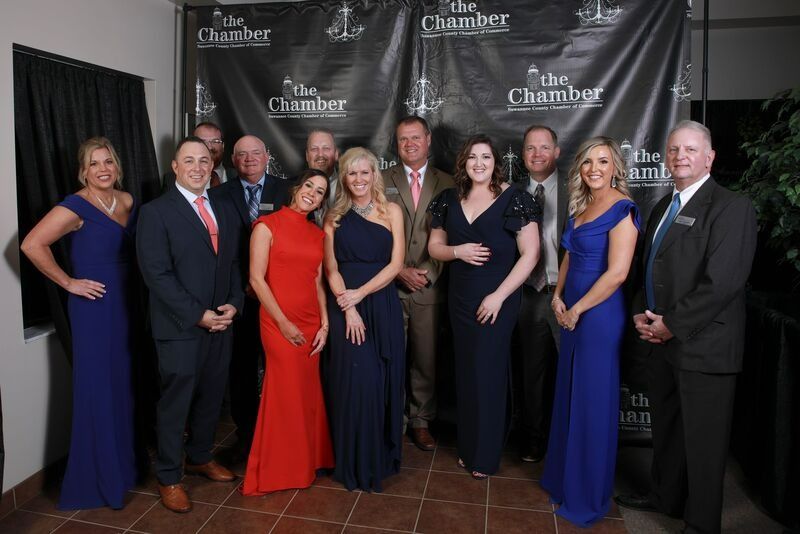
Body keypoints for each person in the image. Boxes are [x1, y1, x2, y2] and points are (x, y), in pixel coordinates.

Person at [615, 121, 757, 534]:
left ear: (709, 157)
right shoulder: (664, 205)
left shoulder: (732, 207)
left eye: (691, 150)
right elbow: (648, 267)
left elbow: (723, 283)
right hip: (662, 342)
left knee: (704, 443)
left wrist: (672, 325)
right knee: (668, 431)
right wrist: (641, 313)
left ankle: (701, 523)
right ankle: (666, 496)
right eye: (674, 149)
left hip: (704, 345)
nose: (681, 156)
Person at [20, 137, 137, 510]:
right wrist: (69, 282)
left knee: (122, 385)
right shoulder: (74, 206)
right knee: (97, 388)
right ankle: (97, 479)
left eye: (108, 162)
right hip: (94, 309)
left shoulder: (127, 200)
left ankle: (122, 468)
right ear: (83, 171)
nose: (103, 169)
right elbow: (31, 245)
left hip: (127, 305)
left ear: (117, 166)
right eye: (94, 163)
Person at [137, 136, 244, 513]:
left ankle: (200, 456)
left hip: (221, 324)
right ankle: (169, 476)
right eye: (189, 161)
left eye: (203, 160)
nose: (197, 167)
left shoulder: (224, 208)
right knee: (175, 403)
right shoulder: (155, 213)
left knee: (212, 396)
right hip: (180, 327)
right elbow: (157, 275)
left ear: (212, 166)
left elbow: (233, 263)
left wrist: (234, 304)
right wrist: (199, 314)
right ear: (175, 167)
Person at [540, 136, 640, 527]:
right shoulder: (581, 205)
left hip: (598, 316)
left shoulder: (623, 209)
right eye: (587, 162)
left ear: (615, 166)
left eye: (602, 161)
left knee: (592, 403)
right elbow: (569, 255)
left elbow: (617, 274)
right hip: (571, 311)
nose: (594, 169)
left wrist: (577, 309)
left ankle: (587, 493)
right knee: (570, 394)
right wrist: (558, 296)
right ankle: (564, 479)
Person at [427, 135, 540, 479]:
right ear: (463, 162)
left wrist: (499, 296)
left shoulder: (515, 199)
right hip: (461, 298)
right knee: (466, 371)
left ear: (496, 163)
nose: (479, 163)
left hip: (497, 298)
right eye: (473, 157)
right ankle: (469, 447)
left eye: (486, 157)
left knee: (488, 372)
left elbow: (530, 255)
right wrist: (457, 251)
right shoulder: (448, 199)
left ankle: (486, 455)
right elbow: (434, 247)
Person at [241, 169, 334, 494]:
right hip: (277, 321)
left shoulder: (317, 234)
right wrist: (282, 322)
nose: (312, 193)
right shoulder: (267, 226)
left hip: (310, 322)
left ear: (322, 201)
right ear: (296, 188)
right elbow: (256, 279)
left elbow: (318, 282)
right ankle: (281, 469)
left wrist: (325, 324)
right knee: (285, 392)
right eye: (309, 185)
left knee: (306, 392)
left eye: (320, 191)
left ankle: (307, 459)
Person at [322, 147, 406, 491]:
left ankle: (377, 458)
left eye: (364, 172)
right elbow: (331, 268)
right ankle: (352, 461)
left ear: (375, 175)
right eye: (351, 173)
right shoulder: (333, 216)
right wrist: (349, 306)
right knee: (357, 383)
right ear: (344, 178)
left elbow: (396, 264)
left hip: (381, 301)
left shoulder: (392, 211)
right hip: (344, 305)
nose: (359, 179)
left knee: (380, 381)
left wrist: (362, 293)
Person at [211, 134, 292, 462]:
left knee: (280, 366)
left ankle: (281, 433)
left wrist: (268, 282)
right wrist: (243, 284)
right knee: (242, 369)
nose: (249, 159)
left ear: (267, 156)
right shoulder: (218, 194)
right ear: (233, 159)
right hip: (239, 296)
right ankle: (247, 435)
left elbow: (297, 240)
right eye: (242, 154)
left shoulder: (287, 190)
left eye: (255, 153)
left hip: (279, 294)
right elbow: (219, 249)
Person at [383, 116, 454, 451]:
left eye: (415, 138)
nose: (409, 144)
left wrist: (425, 273)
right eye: (402, 139)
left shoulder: (449, 182)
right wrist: (397, 270)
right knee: (391, 356)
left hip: (429, 284)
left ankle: (421, 420)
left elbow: (455, 233)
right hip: (388, 284)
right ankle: (392, 419)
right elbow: (373, 231)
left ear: (428, 140)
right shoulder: (381, 179)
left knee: (425, 358)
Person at [513, 125, 565, 463]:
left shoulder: (578, 189)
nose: (537, 154)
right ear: (522, 154)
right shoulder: (512, 194)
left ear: (557, 152)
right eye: (530, 148)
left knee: (568, 373)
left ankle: (564, 443)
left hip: (567, 295)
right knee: (531, 373)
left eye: (544, 147)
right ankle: (533, 440)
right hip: (529, 294)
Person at [162, 122, 233, 191]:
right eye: (202, 141)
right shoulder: (172, 179)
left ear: (223, 146)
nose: (209, 147)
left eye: (215, 141)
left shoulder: (236, 175)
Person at [304, 128, 340, 226]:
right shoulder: (292, 188)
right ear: (307, 156)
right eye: (314, 149)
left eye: (326, 148)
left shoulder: (349, 187)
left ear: (336, 154)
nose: (320, 154)